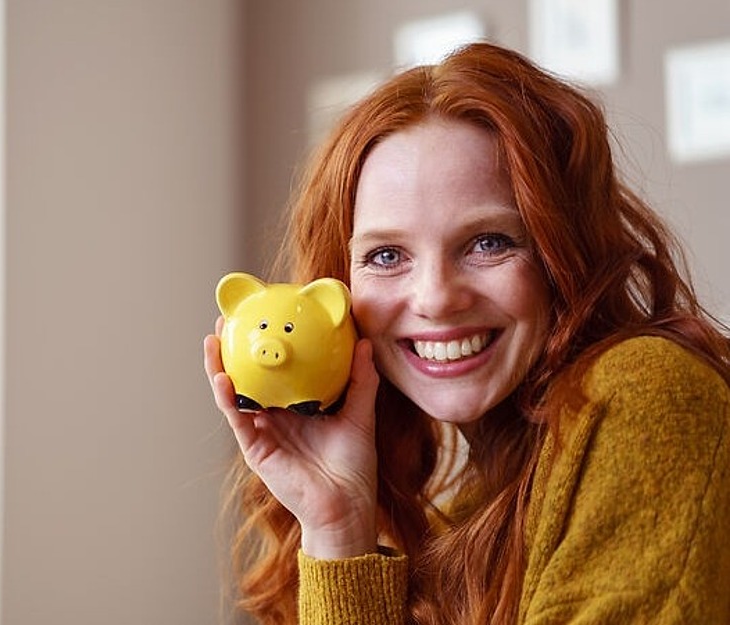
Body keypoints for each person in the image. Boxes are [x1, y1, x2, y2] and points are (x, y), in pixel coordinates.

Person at [203, 42, 730, 625]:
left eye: (489, 243)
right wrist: (336, 524)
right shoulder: (470, 508)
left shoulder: (648, 396)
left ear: (562, 254)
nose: (434, 298)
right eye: (385, 255)